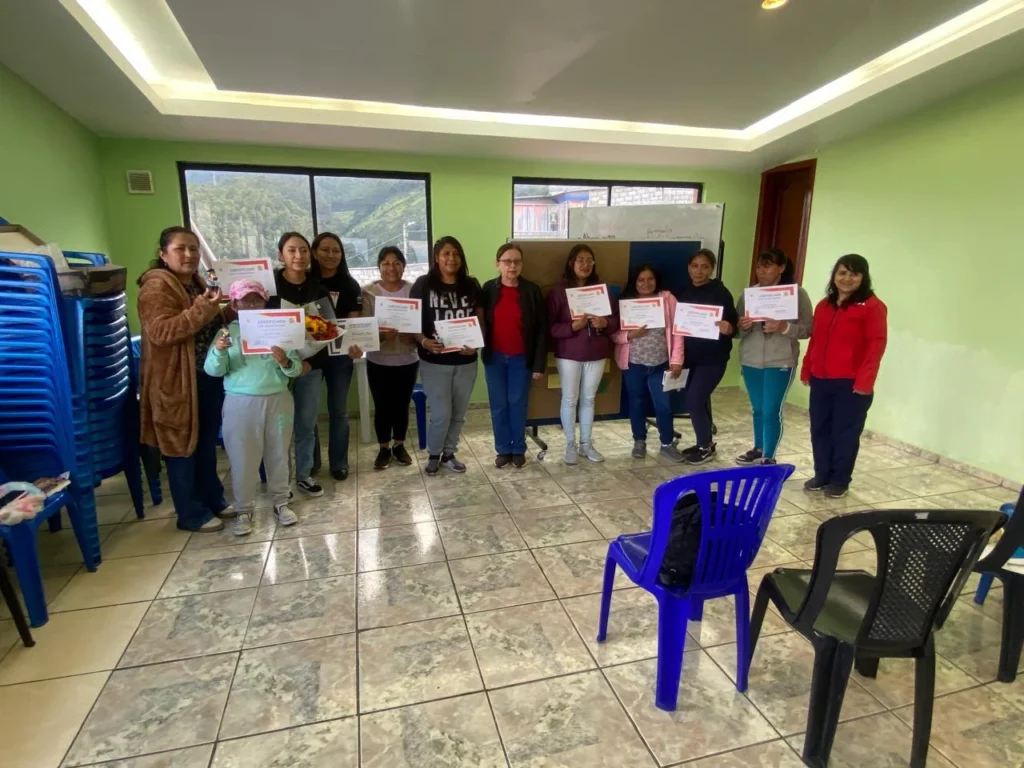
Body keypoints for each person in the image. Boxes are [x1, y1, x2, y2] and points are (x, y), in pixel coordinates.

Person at [137, 226, 232, 532]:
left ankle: (212, 498)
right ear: (163, 254)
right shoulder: (155, 287)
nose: (190, 255)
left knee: (205, 443)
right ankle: (190, 513)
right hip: (177, 383)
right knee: (181, 447)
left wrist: (234, 308)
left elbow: (208, 320)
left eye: (194, 248)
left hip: (207, 376)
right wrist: (206, 308)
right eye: (181, 249)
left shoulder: (197, 283)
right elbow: (161, 333)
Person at [204, 280, 302, 534]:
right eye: (245, 300)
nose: (251, 305)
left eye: (256, 300)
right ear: (234, 304)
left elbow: (296, 368)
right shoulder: (226, 334)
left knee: (279, 454)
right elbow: (213, 371)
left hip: (278, 399)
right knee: (242, 458)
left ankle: (281, 502)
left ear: (264, 302)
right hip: (239, 403)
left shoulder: (278, 330)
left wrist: (284, 361)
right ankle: (244, 510)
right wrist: (219, 351)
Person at [801, 254, 887, 498]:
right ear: (834, 276)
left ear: (863, 277)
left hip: (852, 384)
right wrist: (808, 368)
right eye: (842, 273)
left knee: (844, 433)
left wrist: (865, 382)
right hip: (821, 379)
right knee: (820, 429)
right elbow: (816, 341)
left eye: (854, 274)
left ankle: (840, 480)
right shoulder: (824, 305)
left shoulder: (872, 307)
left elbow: (876, 346)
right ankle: (822, 474)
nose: (847, 279)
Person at [410, 236, 483, 476]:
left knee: (459, 413)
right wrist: (423, 341)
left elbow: (480, 320)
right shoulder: (423, 285)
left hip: (465, 361)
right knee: (441, 413)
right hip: (434, 362)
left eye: (456, 254)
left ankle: (449, 453)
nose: (451, 258)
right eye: (446, 254)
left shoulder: (472, 285)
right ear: (436, 258)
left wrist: (476, 345)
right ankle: (434, 453)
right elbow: (411, 322)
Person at [735, 249, 813, 465]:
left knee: (771, 409)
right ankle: (758, 448)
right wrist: (743, 326)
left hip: (780, 361)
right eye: (759, 266)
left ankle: (769, 455)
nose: (761, 271)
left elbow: (807, 329)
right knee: (758, 408)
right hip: (751, 359)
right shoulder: (749, 294)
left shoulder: (797, 294)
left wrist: (783, 327)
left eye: (767, 266)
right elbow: (737, 330)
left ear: (781, 268)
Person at [269, 231, 332, 497]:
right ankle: (279, 481)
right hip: (274, 369)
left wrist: (309, 364)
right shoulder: (269, 288)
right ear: (281, 255)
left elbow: (329, 332)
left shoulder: (318, 289)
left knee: (306, 424)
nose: (298, 255)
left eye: (303, 250)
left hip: (309, 368)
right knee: (277, 428)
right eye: (292, 250)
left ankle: (304, 475)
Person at [547, 243, 619, 464]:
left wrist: (604, 322)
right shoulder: (559, 291)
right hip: (568, 354)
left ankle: (586, 444)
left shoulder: (602, 290)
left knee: (589, 399)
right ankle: (570, 444)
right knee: (570, 399)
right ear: (571, 263)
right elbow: (550, 327)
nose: (585, 265)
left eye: (589, 260)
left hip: (597, 354)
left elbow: (616, 321)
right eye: (580, 260)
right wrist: (573, 327)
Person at [612, 264, 687, 462]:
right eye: (641, 280)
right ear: (634, 282)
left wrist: (677, 360)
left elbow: (677, 332)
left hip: (660, 364)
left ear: (656, 280)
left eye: (650, 279)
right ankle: (639, 441)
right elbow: (613, 335)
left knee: (663, 405)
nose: (646, 283)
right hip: (633, 364)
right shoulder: (626, 303)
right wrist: (630, 335)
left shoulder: (667, 299)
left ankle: (667, 444)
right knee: (636, 403)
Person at [481, 243, 546, 468]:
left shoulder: (531, 291)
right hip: (495, 358)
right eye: (507, 261)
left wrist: (539, 364)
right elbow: (478, 322)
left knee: (518, 403)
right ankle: (503, 449)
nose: (512, 266)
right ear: (497, 264)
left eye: (516, 261)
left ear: (521, 265)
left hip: (521, 359)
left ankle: (518, 448)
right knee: (498, 405)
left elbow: (541, 330)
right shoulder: (488, 289)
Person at [676, 248, 737, 465]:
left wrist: (728, 327)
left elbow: (734, 328)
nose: (699, 271)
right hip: (690, 358)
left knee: (693, 401)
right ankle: (706, 443)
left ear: (712, 269)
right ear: (688, 268)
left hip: (713, 358)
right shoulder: (682, 292)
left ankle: (705, 446)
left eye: (705, 266)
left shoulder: (721, 293)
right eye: (695, 266)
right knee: (699, 402)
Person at [309, 232, 362, 481]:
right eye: (325, 249)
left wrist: (354, 344)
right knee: (308, 411)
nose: (331, 255)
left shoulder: (350, 285)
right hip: (308, 355)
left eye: (336, 250)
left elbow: (353, 324)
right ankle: (311, 462)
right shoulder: (305, 281)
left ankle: (339, 463)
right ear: (314, 252)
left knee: (338, 411)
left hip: (340, 356)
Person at [361, 246, 419, 470]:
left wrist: (413, 337)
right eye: (386, 263)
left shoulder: (414, 290)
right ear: (379, 266)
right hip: (378, 360)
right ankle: (383, 448)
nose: (391, 267)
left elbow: (423, 323)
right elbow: (363, 327)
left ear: (404, 266)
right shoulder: (368, 292)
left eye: (396, 262)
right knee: (382, 406)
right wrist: (381, 336)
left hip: (408, 359)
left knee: (402, 405)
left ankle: (399, 445)